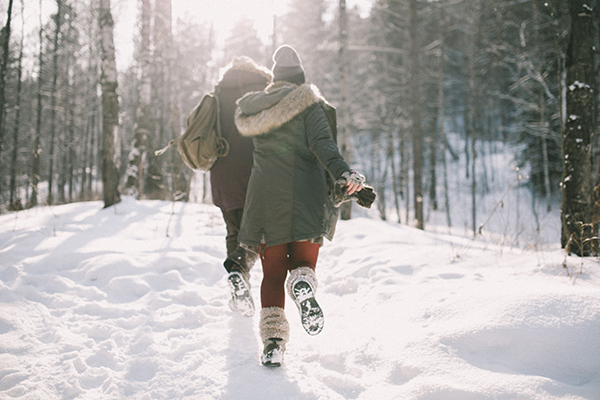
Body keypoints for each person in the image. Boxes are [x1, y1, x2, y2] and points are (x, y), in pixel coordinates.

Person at [234, 45, 368, 367]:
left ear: (275, 77)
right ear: (300, 77)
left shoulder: (255, 108)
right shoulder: (310, 106)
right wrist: (344, 174)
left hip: (264, 200)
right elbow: (324, 145)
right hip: (306, 197)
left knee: (271, 274)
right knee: (302, 263)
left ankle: (273, 343)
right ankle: (302, 283)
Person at [209, 56, 272, 317]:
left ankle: (238, 281)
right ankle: (240, 266)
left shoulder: (218, 92)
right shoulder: (264, 89)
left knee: (233, 230)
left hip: (222, 171)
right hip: (255, 169)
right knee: (260, 231)